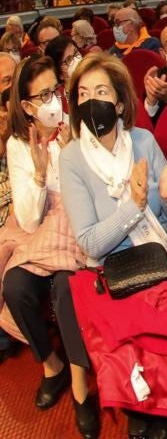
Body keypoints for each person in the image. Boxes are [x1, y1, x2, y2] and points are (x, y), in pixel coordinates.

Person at [59, 54, 167, 437]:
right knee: (127, 336)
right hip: (108, 272)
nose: (91, 102)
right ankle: (141, 405)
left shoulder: (143, 140)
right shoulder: (72, 158)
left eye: (100, 92)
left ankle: (161, 406)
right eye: (82, 94)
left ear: (119, 102)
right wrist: (133, 207)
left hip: (157, 258)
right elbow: (91, 243)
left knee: (164, 328)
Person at [1, 58, 95, 437]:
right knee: (15, 287)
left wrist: (75, 153)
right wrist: (39, 173)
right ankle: (50, 364)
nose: (54, 100)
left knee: (65, 287)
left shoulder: (77, 126)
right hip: (39, 227)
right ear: (26, 106)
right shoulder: (19, 144)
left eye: (56, 90)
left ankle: (80, 385)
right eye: (44, 95)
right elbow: (26, 218)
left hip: (77, 222)